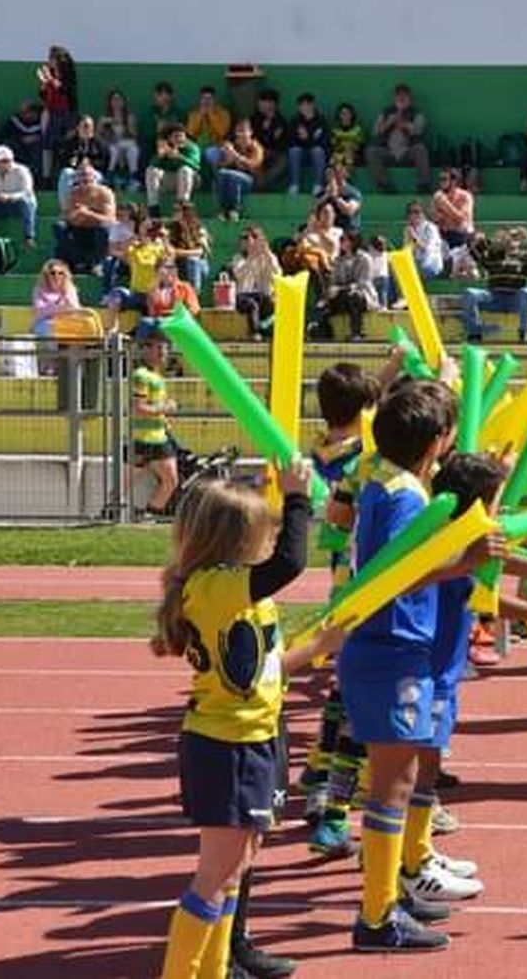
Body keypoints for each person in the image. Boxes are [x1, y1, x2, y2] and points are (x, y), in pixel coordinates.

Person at [150, 464, 336, 979]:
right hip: (226, 745)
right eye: (265, 531)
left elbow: (265, 669)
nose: (273, 538)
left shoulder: (237, 595)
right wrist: (297, 498)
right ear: (235, 542)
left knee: (235, 869)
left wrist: (323, 644)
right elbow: (291, 562)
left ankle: (214, 969)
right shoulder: (216, 587)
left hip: (254, 738)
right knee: (215, 877)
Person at [338, 381, 485, 953]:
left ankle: (390, 894)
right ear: (436, 441)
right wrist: (464, 563)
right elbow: (394, 575)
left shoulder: (388, 481)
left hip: (392, 646)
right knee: (392, 787)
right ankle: (377, 915)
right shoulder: (404, 497)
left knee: (395, 784)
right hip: (392, 645)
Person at [303, 362, 382, 859]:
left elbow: (334, 514)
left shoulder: (332, 451)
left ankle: (318, 778)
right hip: (367, 592)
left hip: (345, 584)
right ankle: (335, 808)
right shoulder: (362, 461)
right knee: (359, 703)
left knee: (344, 693)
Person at [461, 224, 527, 343]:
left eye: (514, 238)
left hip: (515, 300)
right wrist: (492, 240)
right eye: (508, 238)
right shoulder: (493, 255)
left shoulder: (526, 257)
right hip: (494, 298)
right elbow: (474, 252)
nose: (511, 241)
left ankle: (523, 331)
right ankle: (474, 332)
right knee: (470, 293)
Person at [131, 325, 179, 518]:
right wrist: (166, 408)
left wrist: (164, 419)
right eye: (158, 348)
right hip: (144, 439)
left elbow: (151, 406)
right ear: (146, 349)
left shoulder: (155, 376)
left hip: (156, 438)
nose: (163, 353)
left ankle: (149, 515)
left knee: (170, 480)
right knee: (127, 481)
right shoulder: (142, 376)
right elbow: (138, 408)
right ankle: (115, 512)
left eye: (165, 348)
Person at [366, 84, 431, 193]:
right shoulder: (386, 112)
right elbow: (376, 131)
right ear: (394, 98)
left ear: (410, 98)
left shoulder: (416, 112)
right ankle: (385, 186)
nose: (401, 99)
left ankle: (424, 185)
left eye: (405, 96)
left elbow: (419, 129)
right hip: (389, 152)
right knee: (371, 151)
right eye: (399, 96)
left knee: (420, 149)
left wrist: (404, 124)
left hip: (407, 152)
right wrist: (389, 122)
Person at [315, 230, 378, 341]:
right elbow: (334, 281)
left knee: (354, 296)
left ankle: (356, 333)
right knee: (322, 305)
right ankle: (324, 334)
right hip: (342, 295)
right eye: (341, 240)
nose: (342, 242)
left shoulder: (364, 258)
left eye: (344, 240)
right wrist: (330, 291)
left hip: (362, 295)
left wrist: (340, 289)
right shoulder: (338, 260)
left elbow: (363, 282)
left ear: (354, 242)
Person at [60, 163, 117, 276]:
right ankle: (79, 262)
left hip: (98, 228)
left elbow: (110, 219)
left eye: (88, 175)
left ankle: (98, 263)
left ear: (94, 177)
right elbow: (66, 216)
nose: (85, 178)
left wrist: (88, 213)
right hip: (80, 227)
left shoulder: (104, 193)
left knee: (104, 229)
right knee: (59, 227)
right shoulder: (73, 193)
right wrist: (75, 216)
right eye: (82, 175)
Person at [36, 46, 78, 179]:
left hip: (66, 112)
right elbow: (43, 95)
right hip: (51, 112)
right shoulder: (50, 73)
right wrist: (43, 83)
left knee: (66, 144)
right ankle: (46, 176)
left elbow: (65, 91)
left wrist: (50, 79)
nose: (50, 61)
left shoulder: (68, 74)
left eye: (53, 58)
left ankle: (66, 174)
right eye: (50, 58)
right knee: (47, 145)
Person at [231, 225, 279, 340]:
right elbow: (239, 275)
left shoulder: (268, 257)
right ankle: (254, 332)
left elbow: (277, 273)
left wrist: (267, 253)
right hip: (243, 296)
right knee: (252, 305)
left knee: (271, 303)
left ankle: (265, 330)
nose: (243, 241)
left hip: (263, 295)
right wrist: (251, 257)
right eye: (242, 238)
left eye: (246, 238)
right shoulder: (238, 258)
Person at [0, 144, 38, 245]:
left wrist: (9, 197)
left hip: (17, 204)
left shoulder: (22, 171)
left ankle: (29, 236)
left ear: (8, 161)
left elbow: (26, 191)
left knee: (27, 203)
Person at [215, 120, 264, 221]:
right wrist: (228, 160)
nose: (241, 134)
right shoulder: (232, 145)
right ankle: (223, 210)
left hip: (251, 180)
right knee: (223, 174)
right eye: (239, 131)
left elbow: (254, 164)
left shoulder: (256, 147)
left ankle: (235, 209)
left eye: (244, 131)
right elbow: (220, 165)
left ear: (250, 132)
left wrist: (235, 155)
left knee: (233, 176)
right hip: (230, 179)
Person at [146, 124, 201, 214]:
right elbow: (152, 164)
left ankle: (182, 204)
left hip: (190, 180)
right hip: (170, 180)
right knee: (151, 170)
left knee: (185, 170)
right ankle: (153, 206)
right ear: (169, 138)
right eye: (176, 136)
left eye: (181, 136)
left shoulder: (192, 147)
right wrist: (160, 156)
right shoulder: (164, 147)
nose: (179, 139)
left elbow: (196, 166)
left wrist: (179, 157)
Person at [54, 114, 108, 207]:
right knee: (65, 173)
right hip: (76, 171)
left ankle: (93, 207)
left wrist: (90, 164)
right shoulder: (70, 142)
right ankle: (66, 208)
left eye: (90, 126)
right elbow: (63, 160)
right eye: (85, 126)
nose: (88, 129)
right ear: (78, 127)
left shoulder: (98, 143)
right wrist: (77, 164)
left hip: (93, 171)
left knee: (96, 177)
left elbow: (104, 161)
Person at [287, 92, 330, 196]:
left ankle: (318, 185)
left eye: (307, 105)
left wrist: (308, 138)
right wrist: (302, 139)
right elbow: (291, 141)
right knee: (294, 151)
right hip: (301, 154)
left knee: (317, 151)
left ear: (313, 105)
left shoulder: (321, 121)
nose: (305, 108)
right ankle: (294, 185)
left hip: (317, 155)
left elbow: (323, 143)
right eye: (302, 105)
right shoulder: (294, 121)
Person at [99, 89, 141, 187]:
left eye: (119, 99)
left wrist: (129, 124)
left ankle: (133, 176)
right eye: (114, 99)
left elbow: (135, 134)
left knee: (133, 149)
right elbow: (97, 134)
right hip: (110, 145)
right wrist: (104, 141)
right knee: (114, 150)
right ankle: (110, 174)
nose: (116, 102)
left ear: (123, 102)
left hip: (126, 143)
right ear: (110, 102)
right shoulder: (104, 118)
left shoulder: (129, 116)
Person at [31, 258, 82, 339]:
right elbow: (40, 311)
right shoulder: (39, 290)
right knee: (49, 328)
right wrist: (60, 308)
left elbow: (75, 309)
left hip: (67, 323)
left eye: (60, 273)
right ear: (46, 275)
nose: (56, 276)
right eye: (53, 273)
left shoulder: (70, 289)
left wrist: (65, 296)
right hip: (45, 324)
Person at [168, 201, 212, 292]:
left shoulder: (198, 227)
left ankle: (193, 293)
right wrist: (191, 253)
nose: (174, 213)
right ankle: (193, 293)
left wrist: (182, 252)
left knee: (193, 261)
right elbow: (172, 251)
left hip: (200, 265)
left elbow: (204, 251)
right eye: (174, 210)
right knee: (192, 260)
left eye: (177, 210)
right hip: (180, 263)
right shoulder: (172, 228)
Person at [250, 89, 288, 191]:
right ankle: (258, 185)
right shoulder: (255, 119)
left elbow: (281, 143)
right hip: (257, 150)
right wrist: (263, 130)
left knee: (284, 161)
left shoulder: (280, 121)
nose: (259, 104)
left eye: (263, 102)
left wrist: (270, 132)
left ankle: (261, 184)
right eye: (259, 101)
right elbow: (252, 139)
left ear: (272, 104)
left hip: (274, 152)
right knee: (255, 156)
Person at [185, 87, 231, 171]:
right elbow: (191, 132)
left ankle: (214, 177)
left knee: (211, 153)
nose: (206, 101)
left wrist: (211, 115)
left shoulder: (223, 113)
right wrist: (200, 117)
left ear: (214, 100)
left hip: (217, 146)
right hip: (198, 147)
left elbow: (222, 132)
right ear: (200, 100)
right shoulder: (194, 114)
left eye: (209, 98)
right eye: (203, 98)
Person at [431, 168, 475, 250]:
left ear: (453, 181)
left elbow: (461, 219)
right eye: (440, 179)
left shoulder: (465, 196)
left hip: (462, 236)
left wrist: (446, 204)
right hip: (444, 236)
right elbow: (435, 219)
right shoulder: (438, 196)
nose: (441, 182)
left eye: (444, 179)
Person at [3, 100, 46, 178]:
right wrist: (21, 140)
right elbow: (5, 136)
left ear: (35, 113)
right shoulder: (14, 121)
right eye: (22, 113)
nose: (23, 115)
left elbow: (49, 136)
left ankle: (36, 177)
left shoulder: (43, 122)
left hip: (35, 150)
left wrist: (37, 138)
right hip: (18, 148)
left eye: (26, 113)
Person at [140, 82, 181, 160]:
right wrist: (157, 131)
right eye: (156, 95)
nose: (156, 98)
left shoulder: (178, 112)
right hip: (153, 143)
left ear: (170, 96)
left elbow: (182, 131)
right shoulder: (150, 112)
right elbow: (145, 133)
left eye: (159, 95)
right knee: (145, 147)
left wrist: (168, 129)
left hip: (173, 143)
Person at [403, 201, 442, 279]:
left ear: (423, 214)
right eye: (410, 212)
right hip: (417, 263)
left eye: (417, 212)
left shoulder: (430, 228)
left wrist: (414, 238)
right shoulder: (409, 229)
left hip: (431, 264)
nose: (413, 215)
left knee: (421, 270)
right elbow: (406, 251)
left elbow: (427, 250)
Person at [330, 102, 365, 170]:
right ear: (339, 115)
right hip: (338, 155)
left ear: (352, 115)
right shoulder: (335, 130)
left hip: (353, 155)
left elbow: (360, 145)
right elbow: (333, 144)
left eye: (348, 113)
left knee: (348, 157)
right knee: (335, 158)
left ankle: (345, 175)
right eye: (343, 114)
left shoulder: (357, 129)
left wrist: (351, 148)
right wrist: (341, 148)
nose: (346, 116)